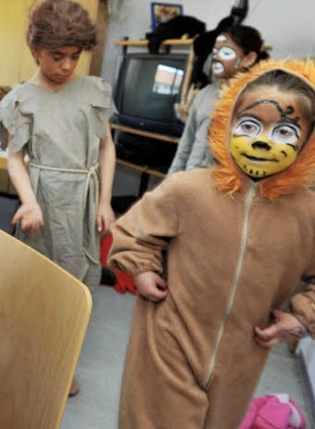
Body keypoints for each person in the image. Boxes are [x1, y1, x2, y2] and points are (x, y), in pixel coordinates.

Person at [109, 59, 315, 428]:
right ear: (228, 123)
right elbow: (134, 233)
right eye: (250, 125)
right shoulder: (188, 189)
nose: (262, 141)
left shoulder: (308, 213)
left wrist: (301, 318)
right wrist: (141, 269)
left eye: (284, 131)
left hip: (243, 356)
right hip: (170, 342)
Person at [0, 0, 116, 396]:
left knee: (76, 286)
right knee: (39, 286)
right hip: (43, 199)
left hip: (83, 199)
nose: (65, 65)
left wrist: (104, 201)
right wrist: (28, 200)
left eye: (73, 57)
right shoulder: (21, 101)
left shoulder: (93, 90)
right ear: (34, 50)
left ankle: (62, 365)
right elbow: (15, 158)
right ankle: (31, 361)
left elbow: (106, 147)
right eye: (56, 56)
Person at [168, 24, 269, 174]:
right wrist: (171, 181)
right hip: (189, 184)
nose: (216, 58)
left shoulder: (258, 102)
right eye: (215, 52)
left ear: (248, 59)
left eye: (226, 53)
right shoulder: (204, 94)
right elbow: (186, 143)